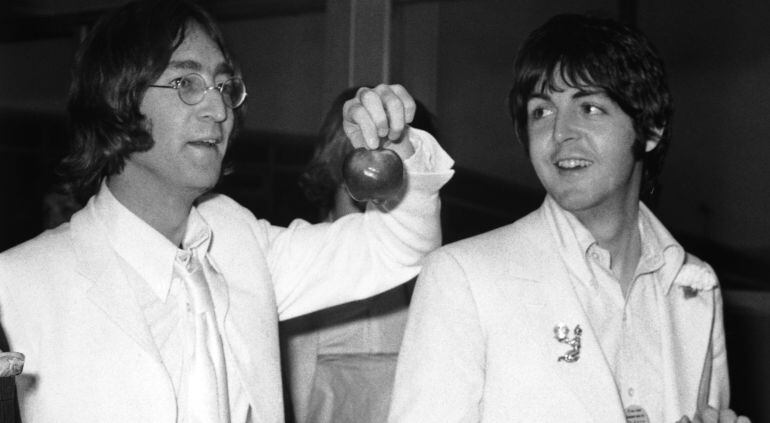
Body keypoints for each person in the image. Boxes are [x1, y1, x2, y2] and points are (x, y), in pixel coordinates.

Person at [0, 1, 454, 422]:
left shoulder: (237, 239)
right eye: (186, 83)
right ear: (118, 98)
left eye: (223, 85)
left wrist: (399, 150)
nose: (218, 108)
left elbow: (399, 247)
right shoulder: (21, 285)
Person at [389, 14, 748, 423]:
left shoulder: (695, 285)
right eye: (541, 111)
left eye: (590, 107)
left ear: (650, 129)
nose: (561, 133)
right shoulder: (462, 278)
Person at [281, 87, 439, 423]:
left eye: (393, 197)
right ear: (335, 176)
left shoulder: (432, 274)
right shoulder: (295, 268)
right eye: (360, 194)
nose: (376, 214)